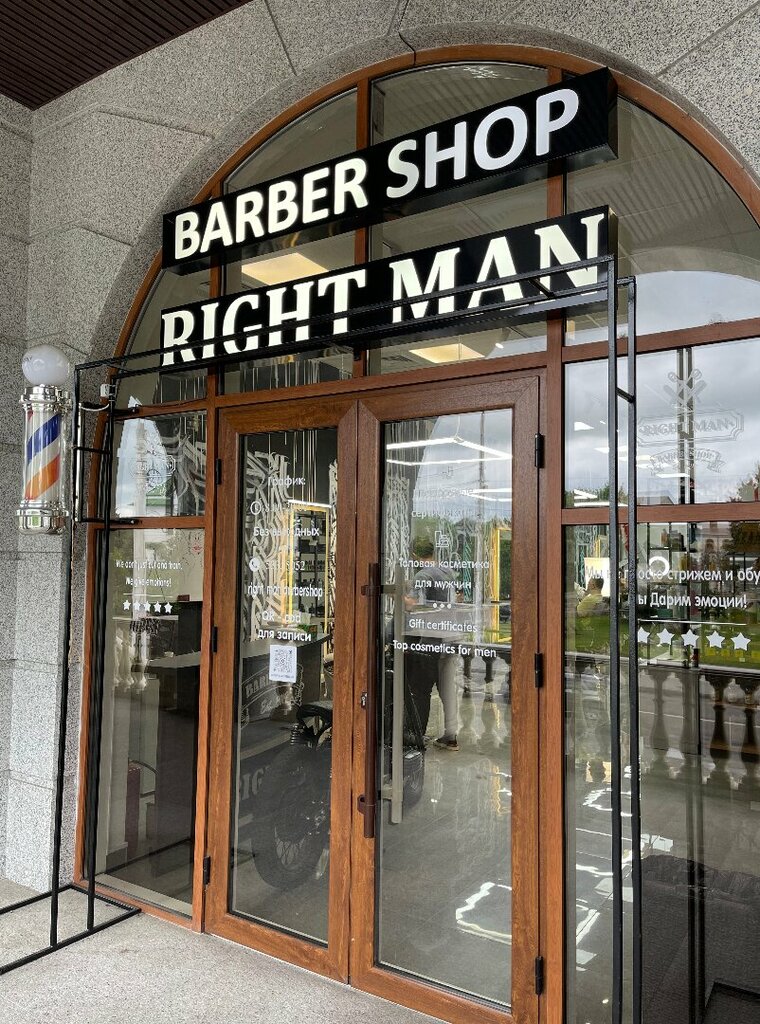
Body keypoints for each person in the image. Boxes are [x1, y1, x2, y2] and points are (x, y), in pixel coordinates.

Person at [404, 536, 461, 751]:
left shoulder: (423, 575)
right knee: (447, 689)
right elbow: (458, 599)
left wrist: (399, 594)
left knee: (421, 689)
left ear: (415, 555)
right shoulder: (447, 572)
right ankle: (451, 736)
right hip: (450, 636)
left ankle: (417, 737)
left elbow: (413, 606)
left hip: (430, 639)